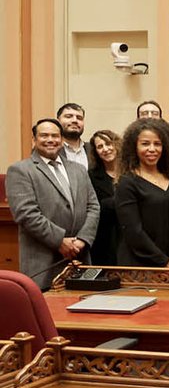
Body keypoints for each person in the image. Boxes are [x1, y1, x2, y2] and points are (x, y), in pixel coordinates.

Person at [6, 118, 100, 289]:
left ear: (62, 140)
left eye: (55, 136)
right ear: (34, 140)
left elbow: (93, 206)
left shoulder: (78, 170)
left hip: (80, 259)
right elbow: (27, 215)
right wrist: (60, 241)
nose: (50, 140)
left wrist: (82, 240)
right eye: (44, 135)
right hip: (43, 265)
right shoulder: (20, 170)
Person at [114, 118, 169, 268]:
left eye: (157, 144)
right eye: (145, 144)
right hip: (139, 267)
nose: (152, 149)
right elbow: (133, 231)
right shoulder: (127, 182)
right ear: (134, 147)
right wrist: (163, 261)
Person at [88, 130, 123, 266]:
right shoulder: (91, 175)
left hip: (130, 234)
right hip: (105, 237)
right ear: (95, 152)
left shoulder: (131, 171)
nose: (105, 149)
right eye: (100, 146)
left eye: (108, 144)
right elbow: (94, 206)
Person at [57, 103, 90, 169]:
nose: (75, 120)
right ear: (58, 121)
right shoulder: (50, 148)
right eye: (68, 116)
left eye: (79, 118)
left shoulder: (92, 150)